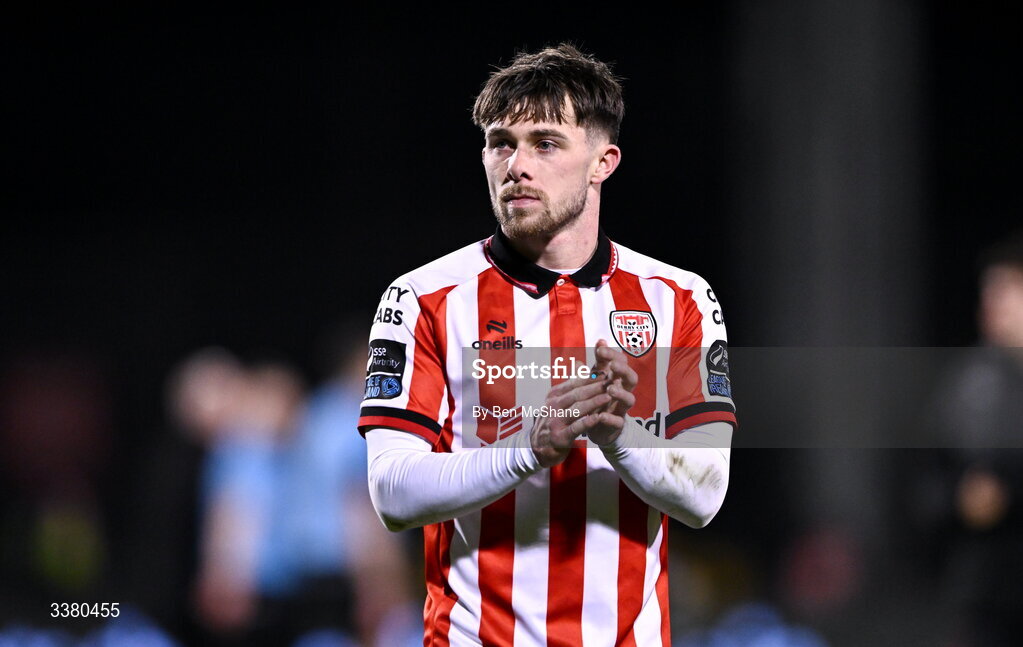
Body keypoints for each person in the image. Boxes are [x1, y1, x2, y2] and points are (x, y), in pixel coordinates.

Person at [359, 43, 736, 646]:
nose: (516, 165)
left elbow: (705, 495)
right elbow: (393, 493)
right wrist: (527, 449)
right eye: (500, 142)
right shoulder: (424, 297)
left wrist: (619, 436)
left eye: (546, 143)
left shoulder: (679, 300)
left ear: (602, 162)